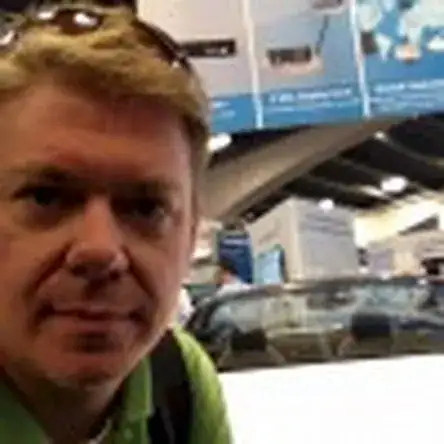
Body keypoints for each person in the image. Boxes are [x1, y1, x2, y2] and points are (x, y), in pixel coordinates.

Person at [0, 2, 232, 444]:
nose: (99, 249)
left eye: (146, 209)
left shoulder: (177, 380)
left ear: (190, 235)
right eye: (46, 197)